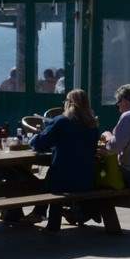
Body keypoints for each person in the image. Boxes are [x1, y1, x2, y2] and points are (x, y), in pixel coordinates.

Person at [30, 88, 99, 229]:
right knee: (52, 176)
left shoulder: (62, 121)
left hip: (63, 181)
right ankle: (40, 213)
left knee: (51, 178)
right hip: (87, 178)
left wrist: (34, 137)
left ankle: (46, 219)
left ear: (69, 103)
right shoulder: (93, 125)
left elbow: (40, 144)